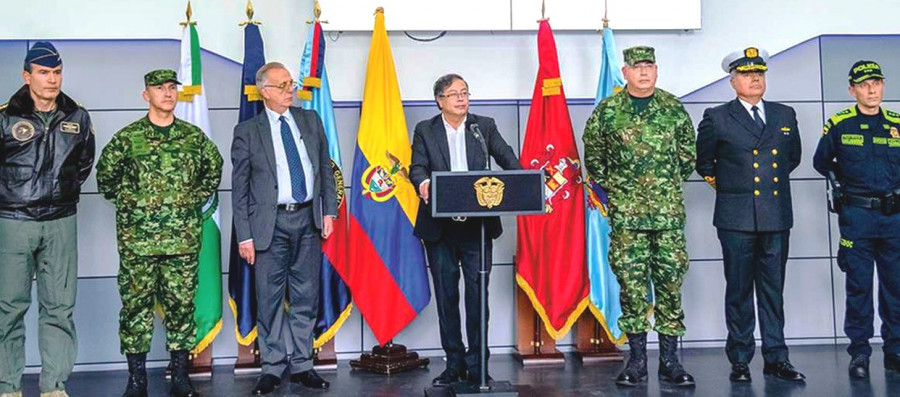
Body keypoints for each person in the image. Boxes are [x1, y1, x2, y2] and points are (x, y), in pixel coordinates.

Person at [95, 69, 222, 397]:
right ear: (145, 95)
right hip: (139, 244)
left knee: (182, 307)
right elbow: (106, 178)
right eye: (159, 88)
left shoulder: (193, 139)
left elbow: (214, 168)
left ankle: (181, 377)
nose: (167, 93)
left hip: (181, 242)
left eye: (171, 88)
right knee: (135, 309)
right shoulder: (128, 138)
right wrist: (133, 203)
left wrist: (191, 199)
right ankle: (136, 381)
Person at [582, 46, 696, 387]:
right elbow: (595, 159)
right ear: (626, 72)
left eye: (649, 66)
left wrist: (660, 190)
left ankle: (671, 362)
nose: (643, 72)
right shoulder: (608, 111)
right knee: (631, 288)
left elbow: (687, 158)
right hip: (628, 218)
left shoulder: (673, 108)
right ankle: (636, 362)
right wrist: (621, 191)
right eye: (636, 67)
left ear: (656, 71)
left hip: (667, 217)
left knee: (670, 286)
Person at [696, 47, 805, 383]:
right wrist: (736, 189)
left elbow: (793, 158)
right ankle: (740, 359)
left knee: (773, 291)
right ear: (732, 81)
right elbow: (705, 164)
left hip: (775, 216)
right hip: (736, 217)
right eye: (746, 74)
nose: (755, 78)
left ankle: (776, 357)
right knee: (740, 291)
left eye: (759, 73)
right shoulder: (717, 117)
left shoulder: (785, 115)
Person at [231, 62, 336, 395]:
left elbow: (324, 169)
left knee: (306, 296)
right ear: (265, 91)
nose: (291, 89)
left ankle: (304, 364)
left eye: (291, 83)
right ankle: (273, 367)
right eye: (283, 85)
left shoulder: (310, 120)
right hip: (268, 225)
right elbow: (240, 188)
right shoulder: (249, 130)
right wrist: (245, 234)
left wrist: (329, 211)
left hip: (308, 219)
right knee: (270, 299)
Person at [409, 73, 520, 386]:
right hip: (439, 228)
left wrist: (521, 180)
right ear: (440, 100)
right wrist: (424, 182)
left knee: (477, 297)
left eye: (465, 92)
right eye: (453, 94)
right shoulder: (425, 130)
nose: (461, 98)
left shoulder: (482, 126)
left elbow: (508, 159)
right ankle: (454, 364)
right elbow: (417, 167)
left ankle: (478, 364)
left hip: (478, 227)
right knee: (446, 298)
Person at [0, 41, 95, 397]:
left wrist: (60, 192)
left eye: (56, 72)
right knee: (8, 308)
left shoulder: (77, 116)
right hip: (13, 221)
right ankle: (7, 387)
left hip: (60, 221)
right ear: (27, 76)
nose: (52, 80)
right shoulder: (5, 116)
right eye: (43, 73)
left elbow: (83, 164)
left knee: (59, 307)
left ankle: (53, 386)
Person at [813, 60, 900, 379]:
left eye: (877, 83)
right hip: (857, 218)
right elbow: (822, 162)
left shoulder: (896, 123)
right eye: (864, 85)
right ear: (852, 90)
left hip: (894, 219)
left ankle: (895, 350)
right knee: (859, 287)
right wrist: (841, 186)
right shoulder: (840, 124)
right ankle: (860, 353)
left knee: (896, 287)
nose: (872, 89)